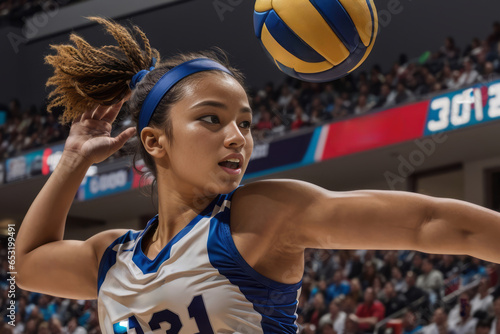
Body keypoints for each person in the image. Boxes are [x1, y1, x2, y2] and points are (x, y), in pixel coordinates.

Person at [14, 17, 500, 334]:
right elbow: (29, 266)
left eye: (244, 123)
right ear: (155, 142)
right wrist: (74, 159)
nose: (237, 137)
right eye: (212, 119)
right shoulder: (112, 255)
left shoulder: (258, 218)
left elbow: (426, 223)